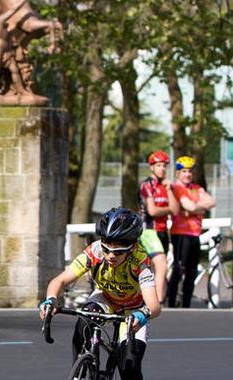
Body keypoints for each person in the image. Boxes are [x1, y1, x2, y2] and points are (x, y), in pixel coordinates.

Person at [40, 208, 161, 380]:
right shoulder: (94, 251)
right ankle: (79, 373)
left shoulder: (140, 261)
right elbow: (59, 281)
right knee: (84, 322)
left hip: (134, 310)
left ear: (132, 247)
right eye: (106, 249)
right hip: (107, 298)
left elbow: (154, 306)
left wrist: (142, 315)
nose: (111, 256)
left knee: (130, 367)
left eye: (118, 252)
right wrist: (50, 300)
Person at [167, 156, 215, 308]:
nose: (187, 174)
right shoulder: (176, 187)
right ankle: (172, 302)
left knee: (192, 270)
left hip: (195, 233)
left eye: (190, 171)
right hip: (180, 233)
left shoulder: (196, 188)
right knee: (179, 268)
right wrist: (198, 207)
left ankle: (186, 304)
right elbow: (190, 207)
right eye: (184, 171)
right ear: (178, 173)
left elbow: (211, 202)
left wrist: (194, 207)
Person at [137, 150, 179, 303]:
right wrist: (167, 209)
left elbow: (175, 210)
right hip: (148, 230)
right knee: (161, 263)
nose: (162, 168)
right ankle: (158, 301)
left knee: (157, 266)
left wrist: (169, 190)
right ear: (152, 167)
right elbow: (152, 210)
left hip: (162, 231)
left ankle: (151, 299)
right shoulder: (147, 184)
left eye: (164, 166)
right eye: (159, 165)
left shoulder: (167, 186)